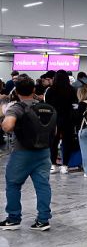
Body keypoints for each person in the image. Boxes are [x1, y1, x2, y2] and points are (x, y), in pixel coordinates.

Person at [0, 77, 56, 231]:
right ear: (33, 90)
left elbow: (8, 125)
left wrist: (4, 124)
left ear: (16, 92)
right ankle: (43, 220)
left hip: (22, 152)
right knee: (43, 185)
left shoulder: (17, 107)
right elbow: (54, 130)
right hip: (44, 152)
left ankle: (13, 218)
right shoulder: (45, 107)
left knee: (13, 184)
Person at [45, 69, 78, 174]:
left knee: (53, 143)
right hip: (68, 120)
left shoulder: (50, 90)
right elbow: (74, 105)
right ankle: (65, 165)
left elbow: (48, 106)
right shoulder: (72, 90)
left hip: (54, 119)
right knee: (67, 142)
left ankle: (53, 165)